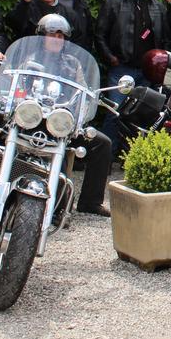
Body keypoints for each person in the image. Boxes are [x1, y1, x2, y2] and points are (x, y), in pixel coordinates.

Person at [33, 14, 112, 216]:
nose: (57, 40)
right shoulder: (30, 61)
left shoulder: (72, 63)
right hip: (36, 121)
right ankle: (54, 203)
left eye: (61, 36)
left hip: (64, 121)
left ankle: (90, 201)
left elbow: (83, 92)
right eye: (52, 35)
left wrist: (80, 116)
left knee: (102, 143)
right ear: (42, 37)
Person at [96, 0, 171, 157]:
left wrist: (161, 65)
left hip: (148, 72)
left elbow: (166, 36)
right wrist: (111, 59)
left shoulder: (157, 6)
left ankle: (133, 157)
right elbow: (99, 34)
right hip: (121, 68)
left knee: (144, 116)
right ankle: (105, 156)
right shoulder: (114, 3)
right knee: (114, 112)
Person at [6, 0, 77, 45]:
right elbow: (13, 24)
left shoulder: (69, 14)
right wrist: (26, 0)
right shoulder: (27, 7)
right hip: (29, 54)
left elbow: (76, 41)